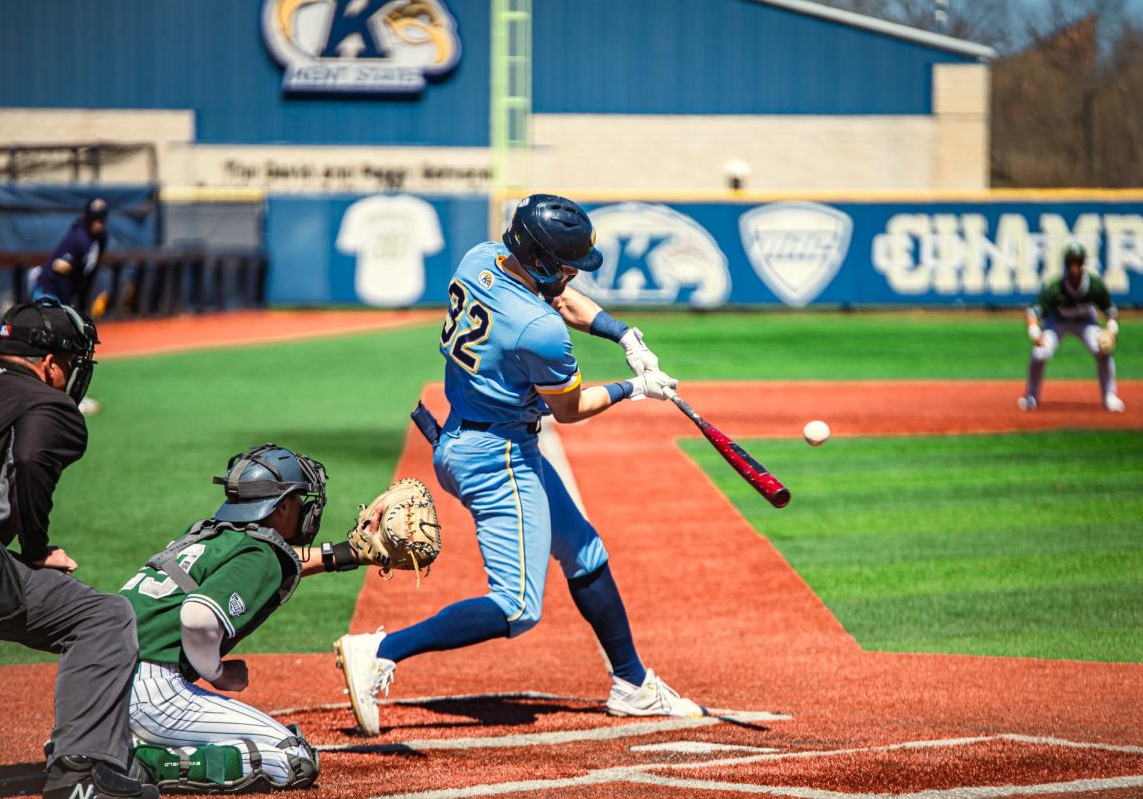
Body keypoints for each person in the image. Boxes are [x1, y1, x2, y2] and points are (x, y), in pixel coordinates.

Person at [334, 193, 704, 737]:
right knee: (516, 607)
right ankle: (380, 651)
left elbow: (558, 298)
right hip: (496, 457)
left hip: (469, 434)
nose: (576, 273)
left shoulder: (481, 257)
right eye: (567, 264)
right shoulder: (538, 330)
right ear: (541, 260)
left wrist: (623, 334)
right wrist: (635, 387)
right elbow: (570, 408)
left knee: (583, 550)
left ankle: (632, 685)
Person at [119, 443, 379, 792]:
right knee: (291, 758)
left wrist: (347, 554)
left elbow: (271, 561)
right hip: (151, 691)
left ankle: (107, 740)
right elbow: (198, 617)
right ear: (282, 507)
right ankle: (143, 761)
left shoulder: (206, 534)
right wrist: (218, 673)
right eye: (300, 500)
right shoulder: (260, 554)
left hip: (100, 680)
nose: (305, 509)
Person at [0, 299, 157, 799]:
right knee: (102, 618)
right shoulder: (50, 404)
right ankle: (83, 773)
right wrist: (36, 548)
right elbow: (32, 458)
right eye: (72, 362)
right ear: (50, 364)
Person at [1018, 242, 1123, 412]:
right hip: (1057, 322)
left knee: (1103, 350)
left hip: (1085, 322)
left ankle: (1110, 395)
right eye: (1070, 262)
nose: (1074, 267)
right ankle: (1031, 396)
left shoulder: (1094, 286)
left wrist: (1111, 328)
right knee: (1039, 354)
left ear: (1083, 263)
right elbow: (1032, 313)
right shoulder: (1055, 288)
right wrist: (1035, 332)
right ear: (1065, 264)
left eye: (1078, 262)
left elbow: (1110, 311)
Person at [30, 197, 110, 416]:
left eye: (102, 218)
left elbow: (88, 274)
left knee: (74, 345)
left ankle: (70, 396)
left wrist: (81, 306)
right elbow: (59, 267)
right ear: (87, 217)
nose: (99, 223)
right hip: (49, 293)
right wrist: (64, 307)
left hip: (67, 297)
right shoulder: (77, 238)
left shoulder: (100, 239)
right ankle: (47, 397)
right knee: (50, 348)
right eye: (95, 218)